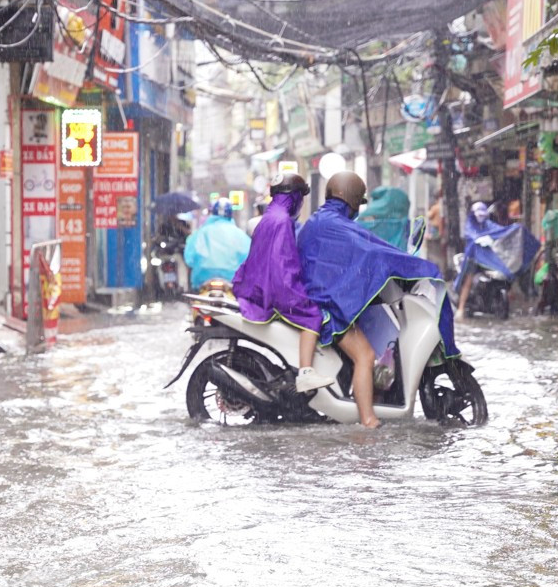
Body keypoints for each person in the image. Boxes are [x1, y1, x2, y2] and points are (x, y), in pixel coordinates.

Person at [297, 171, 461, 429]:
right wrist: (413, 266)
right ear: (352, 199)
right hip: (325, 304)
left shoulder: (320, 221)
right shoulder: (338, 225)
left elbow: (355, 256)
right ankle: (368, 420)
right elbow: (374, 253)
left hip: (314, 298)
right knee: (365, 355)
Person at [231, 173, 334, 393]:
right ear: (294, 198)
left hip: (256, 285)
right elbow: (283, 265)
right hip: (274, 290)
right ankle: (306, 372)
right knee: (313, 315)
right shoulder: (282, 221)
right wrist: (298, 293)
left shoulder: (270, 216)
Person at [454, 200, 541, 318]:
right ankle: (461, 308)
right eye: (478, 215)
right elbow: (471, 237)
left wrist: (515, 229)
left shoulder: (488, 224)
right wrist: (479, 239)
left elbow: (500, 232)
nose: (480, 218)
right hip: (474, 257)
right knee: (468, 280)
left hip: (489, 259)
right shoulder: (470, 226)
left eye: (482, 215)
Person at [184, 197, 251, 289]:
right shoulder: (240, 235)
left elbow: (189, 258)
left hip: (202, 279)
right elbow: (248, 260)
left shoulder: (201, 233)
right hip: (231, 280)